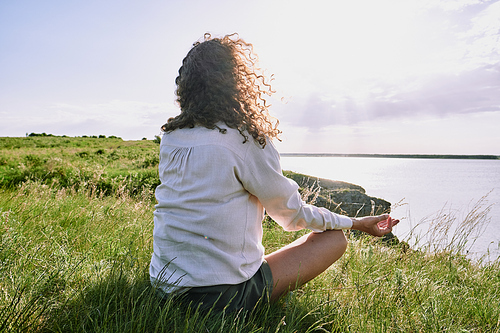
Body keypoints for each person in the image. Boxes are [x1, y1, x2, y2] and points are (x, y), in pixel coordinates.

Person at [149, 33, 399, 312]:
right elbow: (292, 216)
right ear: (238, 83)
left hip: (164, 284)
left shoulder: (173, 137)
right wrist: (357, 223)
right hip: (217, 299)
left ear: (187, 87)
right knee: (334, 239)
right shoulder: (244, 139)